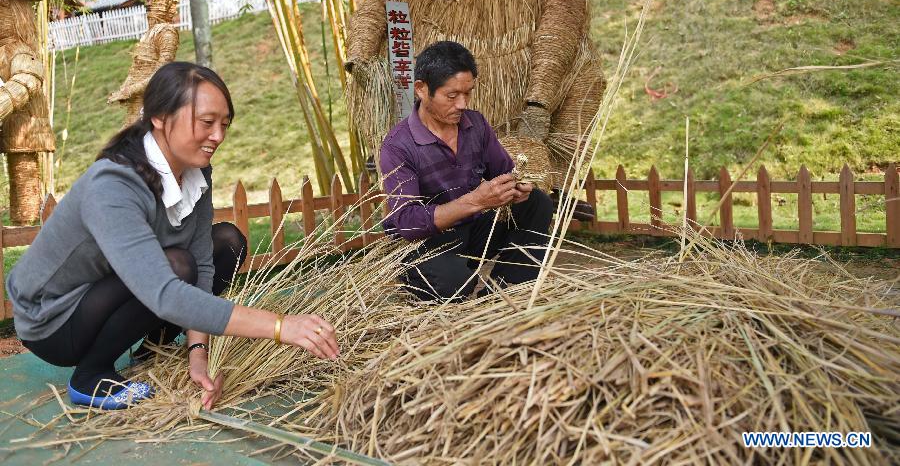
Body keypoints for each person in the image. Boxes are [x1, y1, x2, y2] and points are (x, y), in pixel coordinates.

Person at [6, 62, 339, 411]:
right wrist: (281, 326)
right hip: (55, 321)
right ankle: (91, 377)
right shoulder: (113, 185)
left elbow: (203, 268)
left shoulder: (195, 171)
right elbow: (164, 292)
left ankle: (154, 351)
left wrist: (198, 353)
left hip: (116, 286)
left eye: (224, 124)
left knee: (226, 242)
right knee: (177, 266)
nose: (218, 136)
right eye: (207, 122)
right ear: (160, 117)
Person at [379, 41, 553, 301]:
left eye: (467, 94)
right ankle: (439, 281)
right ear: (421, 90)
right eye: (452, 96)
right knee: (454, 284)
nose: (462, 104)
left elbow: (504, 171)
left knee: (537, 203)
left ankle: (506, 291)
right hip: (426, 245)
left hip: (472, 230)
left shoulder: (476, 125)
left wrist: (517, 187)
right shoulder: (398, 146)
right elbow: (408, 222)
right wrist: (475, 201)